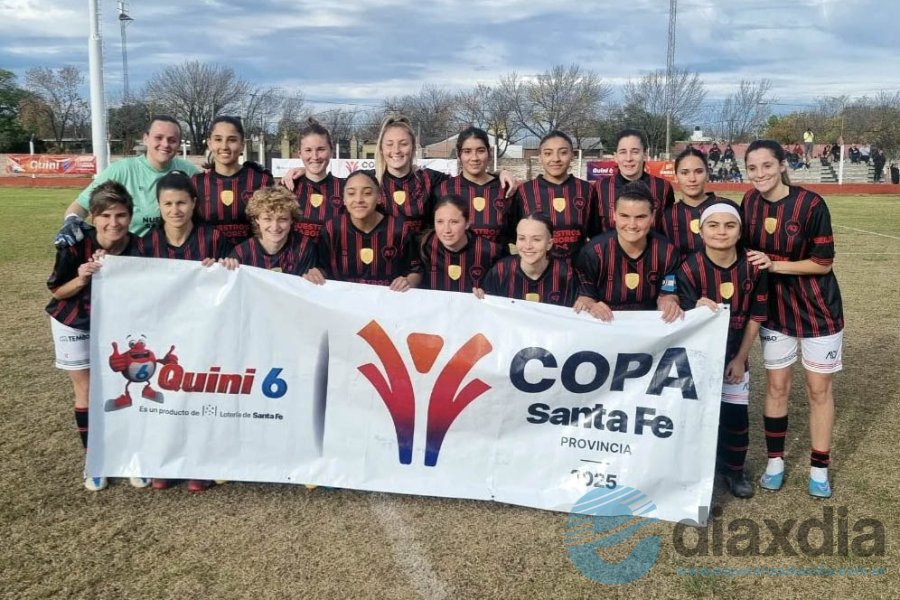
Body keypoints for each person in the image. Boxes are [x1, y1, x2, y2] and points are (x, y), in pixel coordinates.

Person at [742, 139, 844, 499]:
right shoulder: (749, 203)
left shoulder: (811, 203)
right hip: (775, 310)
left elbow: (823, 263)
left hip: (818, 309)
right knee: (777, 387)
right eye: (752, 168)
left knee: (819, 390)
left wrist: (775, 264)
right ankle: (775, 462)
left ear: (782, 164)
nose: (759, 174)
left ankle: (819, 468)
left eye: (767, 166)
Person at [46, 181, 150, 492]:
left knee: (126, 386)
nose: (113, 223)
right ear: (93, 217)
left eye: (120, 215)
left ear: (130, 216)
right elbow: (57, 291)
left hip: (118, 326)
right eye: (105, 216)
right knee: (88, 388)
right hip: (74, 321)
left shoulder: (139, 248)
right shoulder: (75, 245)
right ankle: (96, 459)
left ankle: (132, 456)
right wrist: (81, 277)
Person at [676, 203, 768, 498]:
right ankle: (691, 469)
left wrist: (741, 358)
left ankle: (734, 470)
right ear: (700, 231)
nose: (721, 232)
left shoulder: (754, 267)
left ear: (740, 231)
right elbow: (683, 320)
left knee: (735, 416)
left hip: (734, 355)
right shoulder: (689, 268)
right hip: (697, 358)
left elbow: (756, 314)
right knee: (691, 416)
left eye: (730, 225)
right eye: (713, 225)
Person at [56, 116, 200, 246]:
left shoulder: (189, 172)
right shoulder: (122, 170)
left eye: (172, 140)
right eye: (158, 137)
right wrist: (71, 221)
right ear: (145, 139)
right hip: (130, 256)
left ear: (179, 144)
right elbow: (80, 206)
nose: (165, 144)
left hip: (175, 257)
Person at [372, 115, 518, 235]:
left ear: (413, 146)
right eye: (389, 144)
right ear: (380, 148)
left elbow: (473, 178)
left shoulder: (431, 180)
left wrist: (500, 173)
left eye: (403, 143)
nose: (396, 150)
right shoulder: (368, 183)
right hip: (382, 265)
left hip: (421, 265)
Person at [574, 181, 682, 323]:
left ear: (652, 216)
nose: (632, 225)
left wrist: (669, 302)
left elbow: (668, 294)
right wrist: (590, 306)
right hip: (606, 328)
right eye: (624, 216)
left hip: (649, 331)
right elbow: (585, 297)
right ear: (614, 215)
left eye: (640, 217)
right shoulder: (593, 253)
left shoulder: (667, 253)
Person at [306, 170, 422, 290]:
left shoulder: (399, 230)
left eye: (367, 193)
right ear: (344, 199)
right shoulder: (331, 229)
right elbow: (322, 268)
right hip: (342, 303)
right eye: (351, 193)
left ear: (379, 198)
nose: (359, 199)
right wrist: (315, 274)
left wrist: (408, 281)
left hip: (386, 303)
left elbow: (415, 271)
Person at [515, 130, 598, 260]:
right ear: (540, 157)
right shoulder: (524, 191)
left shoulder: (586, 189)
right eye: (548, 153)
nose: (556, 159)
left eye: (563, 152)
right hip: (538, 273)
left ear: (572, 155)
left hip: (577, 273)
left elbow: (596, 234)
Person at [192, 115, 273, 246]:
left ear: (242, 145)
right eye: (218, 139)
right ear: (209, 143)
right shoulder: (196, 183)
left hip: (250, 263)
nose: (224, 146)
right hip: (210, 263)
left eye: (232, 140)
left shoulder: (262, 181)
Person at [474, 214, 578, 307]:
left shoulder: (566, 275)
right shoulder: (501, 270)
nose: (528, 246)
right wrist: (479, 297)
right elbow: (489, 311)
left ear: (549, 244)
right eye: (522, 238)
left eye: (536, 239)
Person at [435, 127, 516, 245]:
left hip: (498, 262)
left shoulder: (506, 189)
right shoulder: (443, 190)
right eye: (467, 151)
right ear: (459, 155)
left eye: (480, 150)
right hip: (456, 263)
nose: (474, 158)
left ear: (489, 153)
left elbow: (520, 235)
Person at [136, 171, 231, 264]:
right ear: (159, 205)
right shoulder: (145, 245)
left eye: (181, 203)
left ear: (193, 203)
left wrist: (222, 266)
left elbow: (229, 276)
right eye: (168, 204)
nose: (175, 211)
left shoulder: (214, 240)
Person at [419, 194, 507, 292]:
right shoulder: (425, 245)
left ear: (467, 223)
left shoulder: (491, 252)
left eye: (454, 222)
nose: (446, 230)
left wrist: (487, 292)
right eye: (440, 222)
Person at [593, 128, 675, 233]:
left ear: (644, 155)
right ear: (616, 157)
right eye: (623, 152)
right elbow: (594, 233)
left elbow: (668, 231)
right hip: (609, 249)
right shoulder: (599, 188)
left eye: (635, 152)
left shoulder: (662, 187)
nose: (628, 158)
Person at [662, 147, 738, 256]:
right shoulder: (668, 216)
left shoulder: (728, 208)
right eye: (684, 173)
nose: (692, 179)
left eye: (698, 172)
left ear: (707, 174)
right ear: (676, 177)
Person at [230, 186, 318, 275]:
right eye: (267, 219)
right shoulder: (241, 253)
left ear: (292, 219)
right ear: (257, 219)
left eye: (282, 219)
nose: (275, 227)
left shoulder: (303, 247)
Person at [286, 118, 346, 242]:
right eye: (308, 150)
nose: (315, 156)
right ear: (300, 154)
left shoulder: (345, 188)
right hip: (296, 261)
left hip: (333, 261)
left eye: (321, 149)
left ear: (331, 152)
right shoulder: (287, 188)